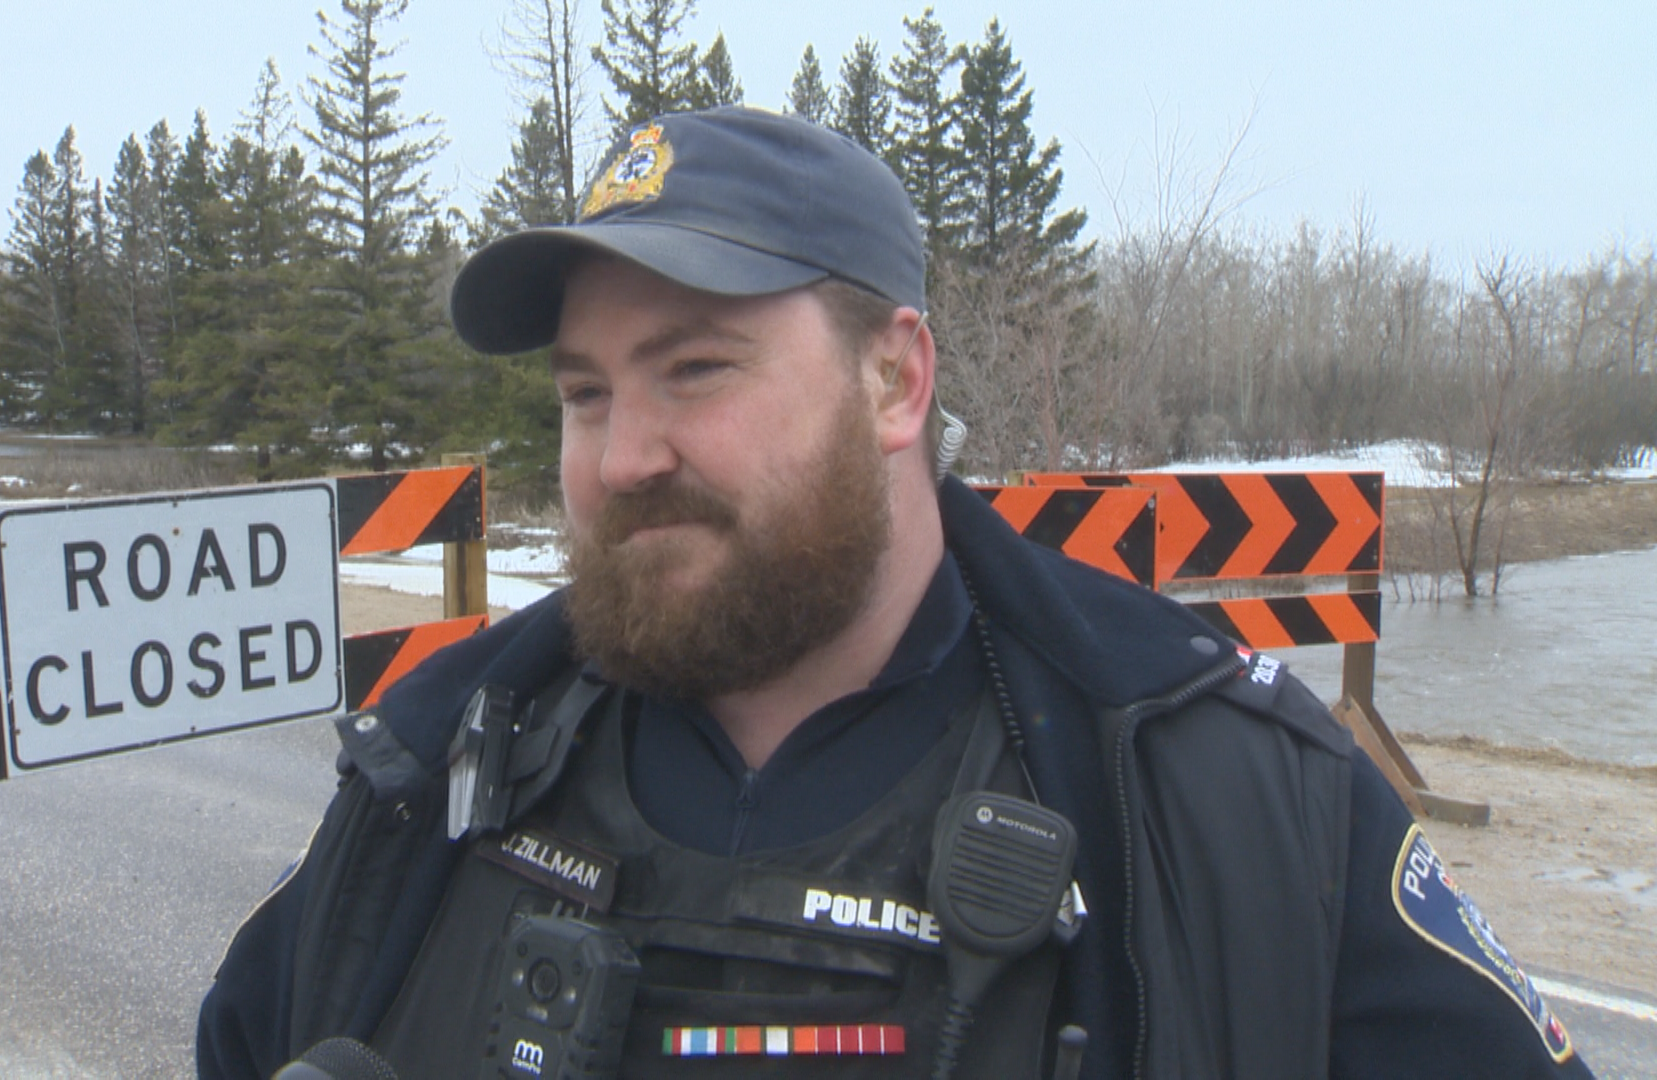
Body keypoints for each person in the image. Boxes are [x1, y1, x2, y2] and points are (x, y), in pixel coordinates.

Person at [197, 106, 1591, 1079]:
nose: (623, 458)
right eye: (584, 393)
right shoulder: (436, 764)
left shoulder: (1207, 790)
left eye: (696, 369)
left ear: (895, 378)